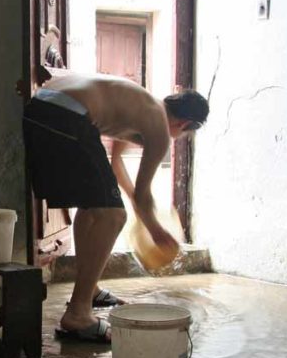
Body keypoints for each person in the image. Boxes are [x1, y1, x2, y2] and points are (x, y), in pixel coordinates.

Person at [22, 73, 209, 343]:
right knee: (113, 216)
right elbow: (143, 196)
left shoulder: (143, 105)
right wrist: (157, 231)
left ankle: (90, 290)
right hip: (66, 114)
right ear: (185, 123)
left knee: (94, 207)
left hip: (40, 107)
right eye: (185, 134)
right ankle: (78, 314)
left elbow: (116, 165)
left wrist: (134, 202)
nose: (180, 137)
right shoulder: (158, 127)